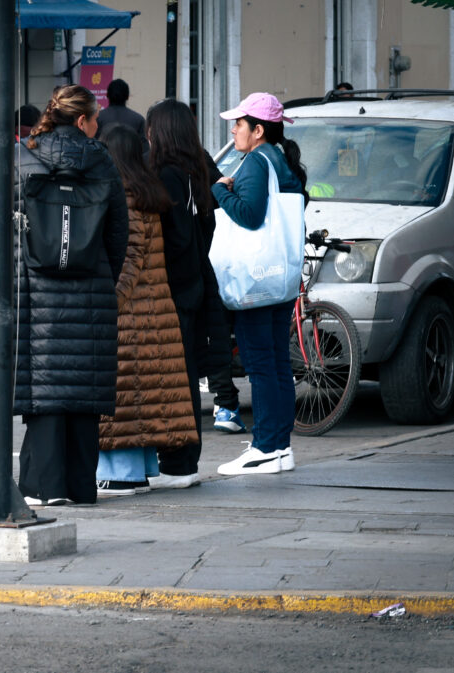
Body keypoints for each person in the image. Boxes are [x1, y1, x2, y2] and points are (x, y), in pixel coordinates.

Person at [0, 84, 129, 506]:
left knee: (42, 388)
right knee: (83, 388)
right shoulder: (101, 161)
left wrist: (14, 271)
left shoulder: (19, 157)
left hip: (32, 290)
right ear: (81, 121)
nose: (98, 127)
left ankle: (43, 486)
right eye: (95, 119)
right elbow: (118, 231)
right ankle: (80, 486)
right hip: (91, 289)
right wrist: (101, 272)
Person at [95, 124, 198, 497]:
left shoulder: (124, 195)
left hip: (132, 315)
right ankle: (137, 470)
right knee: (142, 397)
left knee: (125, 396)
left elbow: (130, 256)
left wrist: (110, 302)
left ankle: (121, 474)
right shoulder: (147, 191)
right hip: (153, 311)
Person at [211, 92, 308, 475]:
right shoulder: (280, 159)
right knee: (277, 362)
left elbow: (250, 215)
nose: (234, 130)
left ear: (258, 130)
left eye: (239, 124)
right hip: (280, 278)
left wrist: (220, 189)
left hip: (256, 283)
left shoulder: (255, 162)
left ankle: (265, 446)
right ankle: (280, 447)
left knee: (262, 364)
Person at [144, 98, 218, 489]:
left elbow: (170, 239)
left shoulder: (166, 176)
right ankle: (185, 461)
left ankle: (177, 463)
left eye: (151, 129)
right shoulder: (197, 172)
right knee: (185, 375)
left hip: (173, 289)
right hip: (194, 286)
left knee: (172, 378)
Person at [199, 151, 247, 434]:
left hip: (186, 265)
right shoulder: (197, 157)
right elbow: (223, 187)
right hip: (212, 261)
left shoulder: (152, 163)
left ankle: (223, 403)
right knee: (215, 332)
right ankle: (225, 404)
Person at [97, 79, 148, 152]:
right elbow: (144, 150)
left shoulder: (97, 118)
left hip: (102, 158)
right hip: (130, 158)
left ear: (107, 95)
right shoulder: (138, 119)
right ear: (127, 96)